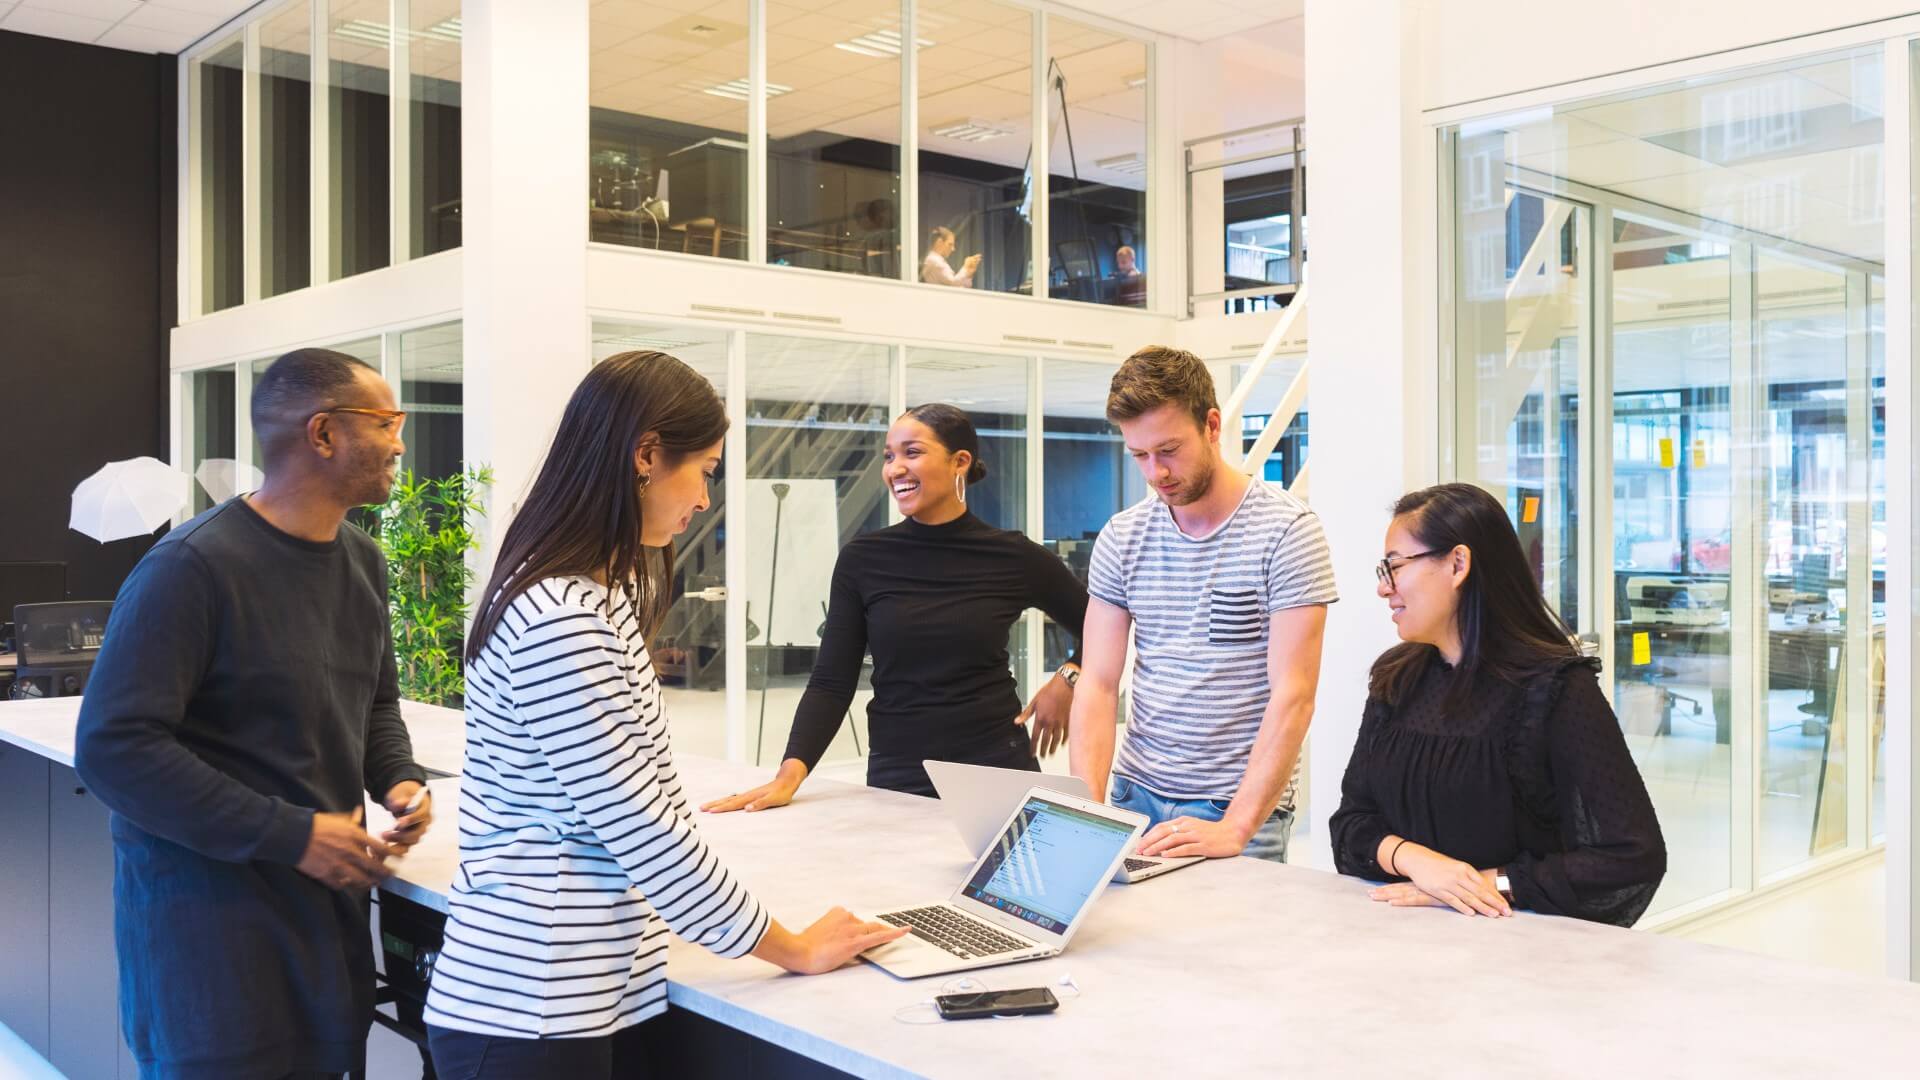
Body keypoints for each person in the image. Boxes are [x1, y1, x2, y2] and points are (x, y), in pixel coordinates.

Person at [422, 351, 905, 1078]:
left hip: (582, 994)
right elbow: (641, 830)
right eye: (706, 469)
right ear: (647, 455)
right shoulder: (561, 617)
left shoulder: (591, 594)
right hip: (533, 1005)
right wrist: (793, 946)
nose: (706, 499)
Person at [74, 347, 435, 1079]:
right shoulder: (191, 568)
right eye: (386, 420)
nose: (401, 440)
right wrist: (291, 832)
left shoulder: (363, 561)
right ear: (324, 433)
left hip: (323, 933)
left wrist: (397, 778)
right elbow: (115, 747)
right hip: (210, 943)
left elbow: (374, 703)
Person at [705, 403, 1089, 809]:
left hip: (997, 764)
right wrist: (789, 775)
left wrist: (1067, 678)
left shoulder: (1013, 556)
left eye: (912, 452)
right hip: (898, 768)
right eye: (889, 456)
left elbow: (1101, 627)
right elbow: (832, 682)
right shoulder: (864, 559)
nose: (895, 468)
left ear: (960, 461)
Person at [1328, 483, 1666, 925]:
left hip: (1513, 951)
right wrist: (1417, 863)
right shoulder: (1396, 680)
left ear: (1458, 564)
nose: (1383, 588)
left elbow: (1632, 855)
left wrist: (1487, 884)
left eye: (1394, 566)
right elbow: (1351, 823)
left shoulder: (1556, 690)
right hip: (1398, 939)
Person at [1068, 346, 1335, 863]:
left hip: (1234, 806)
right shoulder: (1123, 537)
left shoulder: (1287, 532)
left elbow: (1294, 696)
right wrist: (1087, 808)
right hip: (1134, 794)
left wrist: (1235, 827)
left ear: (1212, 425)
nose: (1156, 472)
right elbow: (1099, 684)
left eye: (1168, 449)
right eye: (1139, 455)